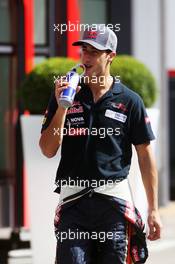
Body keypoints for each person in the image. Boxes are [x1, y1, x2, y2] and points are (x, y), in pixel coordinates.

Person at [39, 24, 162, 264]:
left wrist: (153, 209)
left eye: (94, 51)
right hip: (74, 205)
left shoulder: (130, 100)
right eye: (84, 50)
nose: (86, 57)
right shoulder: (64, 94)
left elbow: (146, 158)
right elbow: (47, 149)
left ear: (110, 56)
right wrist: (62, 106)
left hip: (113, 207)